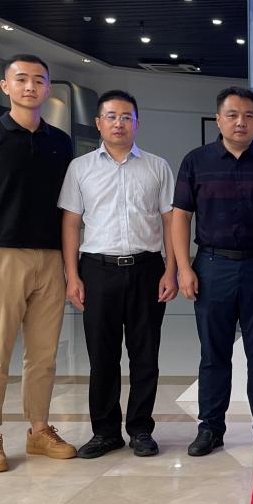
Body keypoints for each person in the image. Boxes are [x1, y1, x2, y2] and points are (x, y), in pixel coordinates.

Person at [0, 53, 77, 472]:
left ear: (47, 88)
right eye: (22, 79)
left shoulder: (59, 141)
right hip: (2, 255)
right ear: (5, 86)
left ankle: (39, 430)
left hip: (50, 257)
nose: (31, 86)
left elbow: (67, 208)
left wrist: (68, 267)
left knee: (44, 353)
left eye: (39, 80)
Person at [172, 87, 253, 456]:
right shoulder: (196, 161)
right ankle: (210, 428)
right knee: (214, 353)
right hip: (212, 266)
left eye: (249, 116)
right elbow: (181, 217)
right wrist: (183, 268)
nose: (241, 122)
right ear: (218, 119)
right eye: (233, 115)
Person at [58, 89, 177, 459]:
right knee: (102, 356)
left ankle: (140, 429)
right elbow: (71, 224)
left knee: (145, 356)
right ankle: (105, 432)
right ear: (98, 123)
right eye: (111, 116)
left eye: (127, 117)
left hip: (147, 269)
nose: (119, 123)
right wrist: (72, 276)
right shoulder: (80, 168)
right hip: (98, 270)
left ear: (137, 123)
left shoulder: (157, 166)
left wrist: (171, 270)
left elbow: (170, 222)